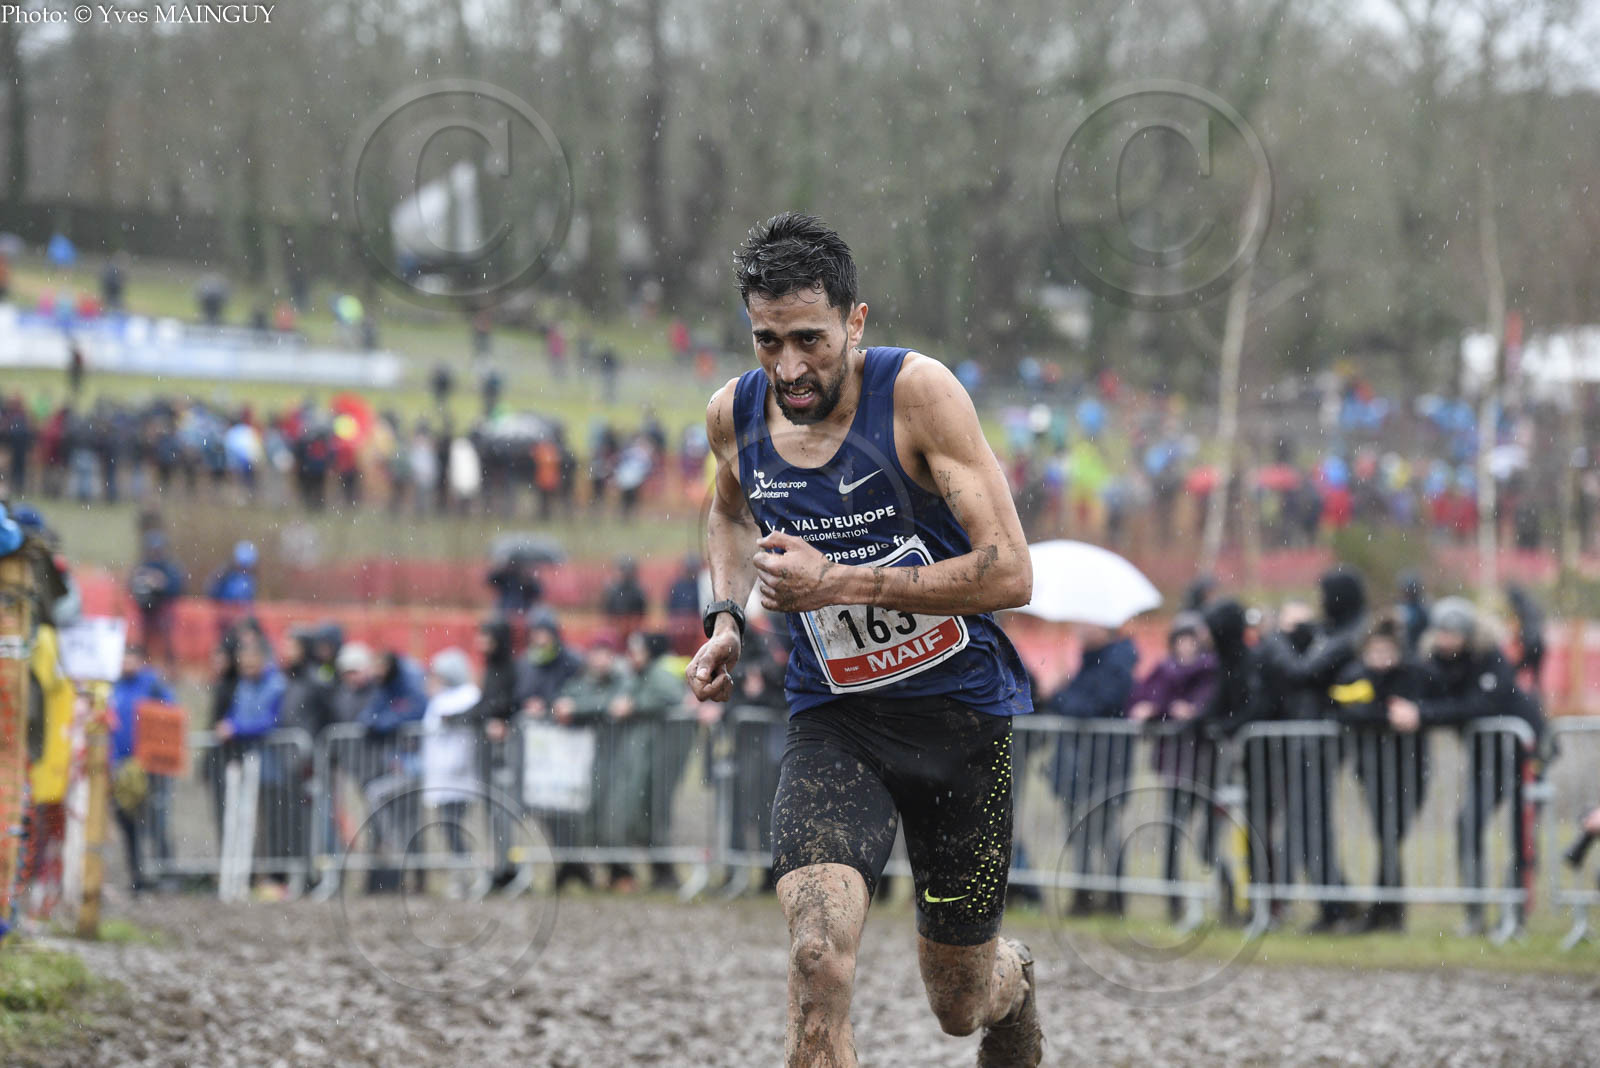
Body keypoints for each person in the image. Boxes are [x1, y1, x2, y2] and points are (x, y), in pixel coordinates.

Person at [686, 213, 1040, 1066]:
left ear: (855, 321)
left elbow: (1011, 573)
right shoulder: (735, 412)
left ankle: (1015, 980)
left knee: (959, 1003)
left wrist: (838, 583)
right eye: (768, 341)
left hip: (961, 723)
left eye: (809, 339)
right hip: (836, 724)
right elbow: (728, 512)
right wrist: (726, 618)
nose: (789, 368)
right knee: (816, 956)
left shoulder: (918, 396)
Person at [1387, 597, 1542, 935]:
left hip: (1526, 753)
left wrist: (1422, 714)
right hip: (1487, 758)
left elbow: (1481, 705)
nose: (1446, 640)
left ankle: (1516, 913)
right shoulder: (1434, 661)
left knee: (1522, 833)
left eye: (1453, 633)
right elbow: (1428, 695)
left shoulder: (1491, 657)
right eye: (1442, 632)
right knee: (1468, 825)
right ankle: (1475, 913)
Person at [1328, 613, 1429, 932]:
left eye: (1387, 651)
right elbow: (1345, 710)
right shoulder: (1355, 675)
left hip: (1409, 769)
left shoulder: (1411, 674)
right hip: (1372, 769)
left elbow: (1420, 707)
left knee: (1391, 837)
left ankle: (1387, 909)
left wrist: (1396, 713)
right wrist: (1386, 716)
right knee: (1386, 837)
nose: (1381, 658)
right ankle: (1387, 910)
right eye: (1376, 651)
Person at [1127, 612, 1219, 921]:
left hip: (1205, 763)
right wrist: (1152, 710)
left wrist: (1191, 711)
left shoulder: (1210, 671)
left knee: (1209, 837)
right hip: (1176, 764)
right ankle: (1173, 896)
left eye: (1191, 640)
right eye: (1181, 640)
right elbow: (1144, 698)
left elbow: (1205, 705)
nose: (1186, 646)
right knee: (1174, 832)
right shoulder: (1164, 670)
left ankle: (1221, 892)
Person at [1041, 622, 1137, 917]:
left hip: (1103, 763)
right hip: (1083, 763)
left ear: (1105, 628)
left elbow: (1091, 707)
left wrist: (1058, 696)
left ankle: (1106, 897)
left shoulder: (1116, 664)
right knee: (1083, 829)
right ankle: (1087, 894)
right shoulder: (1092, 662)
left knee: (1099, 829)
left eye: (1088, 623)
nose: (1080, 628)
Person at [109, 644, 176, 894]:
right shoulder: (113, 687)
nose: (127, 664)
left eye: (131, 659)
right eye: (124, 659)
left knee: (156, 820)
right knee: (127, 824)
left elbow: (171, 711)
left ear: (140, 661)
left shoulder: (151, 684)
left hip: (149, 767)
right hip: (121, 769)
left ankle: (166, 873)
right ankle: (137, 875)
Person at [421, 648, 483, 898]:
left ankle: (468, 874)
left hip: (459, 774)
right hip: (440, 774)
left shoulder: (468, 695)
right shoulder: (440, 698)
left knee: (454, 826)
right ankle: (462, 874)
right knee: (447, 827)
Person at [128, 531, 184, 669]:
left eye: (157, 550)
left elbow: (178, 588)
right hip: (145, 610)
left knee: (167, 641)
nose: (155, 553)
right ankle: (143, 666)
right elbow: (131, 586)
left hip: (164, 609)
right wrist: (142, 583)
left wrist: (161, 583)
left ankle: (170, 668)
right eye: (152, 550)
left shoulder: (170, 568)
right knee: (143, 639)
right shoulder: (142, 567)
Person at [208, 540, 259, 636]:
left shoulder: (250, 578)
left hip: (241, 622)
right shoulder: (225, 573)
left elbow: (249, 600)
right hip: (223, 620)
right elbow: (211, 591)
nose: (244, 570)